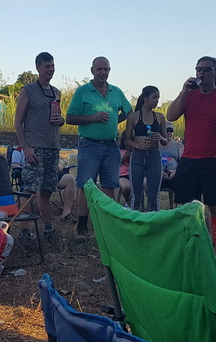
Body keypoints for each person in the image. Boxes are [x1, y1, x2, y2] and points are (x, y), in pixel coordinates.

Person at [166, 56, 216, 266]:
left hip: (215, 160)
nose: (201, 73)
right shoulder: (189, 95)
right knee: (186, 208)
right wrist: (183, 91)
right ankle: (188, 249)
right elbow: (171, 116)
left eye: (206, 69)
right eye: (198, 69)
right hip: (189, 159)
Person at [66, 56, 132, 238]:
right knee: (86, 186)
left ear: (109, 70)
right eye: (99, 69)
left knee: (110, 185)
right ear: (92, 70)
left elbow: (129, 111)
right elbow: (69, 118)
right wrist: (92, 118)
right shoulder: (82, 92)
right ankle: (82, 226)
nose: (103, 72)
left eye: (106, 69)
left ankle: (106, 225)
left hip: (111, 145)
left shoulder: (116, 91)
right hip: (89, 144)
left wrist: (114, 120)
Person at [13, 52, 66, 240]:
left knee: (46, 191)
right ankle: (25, 231)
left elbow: (59, 119)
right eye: (46, 66)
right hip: (35, 148)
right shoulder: (27, 90)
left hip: (53, 147)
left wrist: (61, 120)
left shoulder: (56, 92)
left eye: (52, 66)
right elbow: (17, 122)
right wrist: (25, 148)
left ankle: (48, 230)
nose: (50, 69)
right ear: (38, 67)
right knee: (29, 190)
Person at [123, 86, 168, 211]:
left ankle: (154, 219)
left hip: (154, 156)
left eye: (158, 98)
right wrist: (137, 146)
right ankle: (135, 219)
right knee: (136, 196)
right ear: (145, 98)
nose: (156, 101)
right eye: (154, 97)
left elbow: (165, 141)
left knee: (153, 197)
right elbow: (127, 140)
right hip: (138, 156)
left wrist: (160, 137)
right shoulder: (133, 117)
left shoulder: (160, 117)